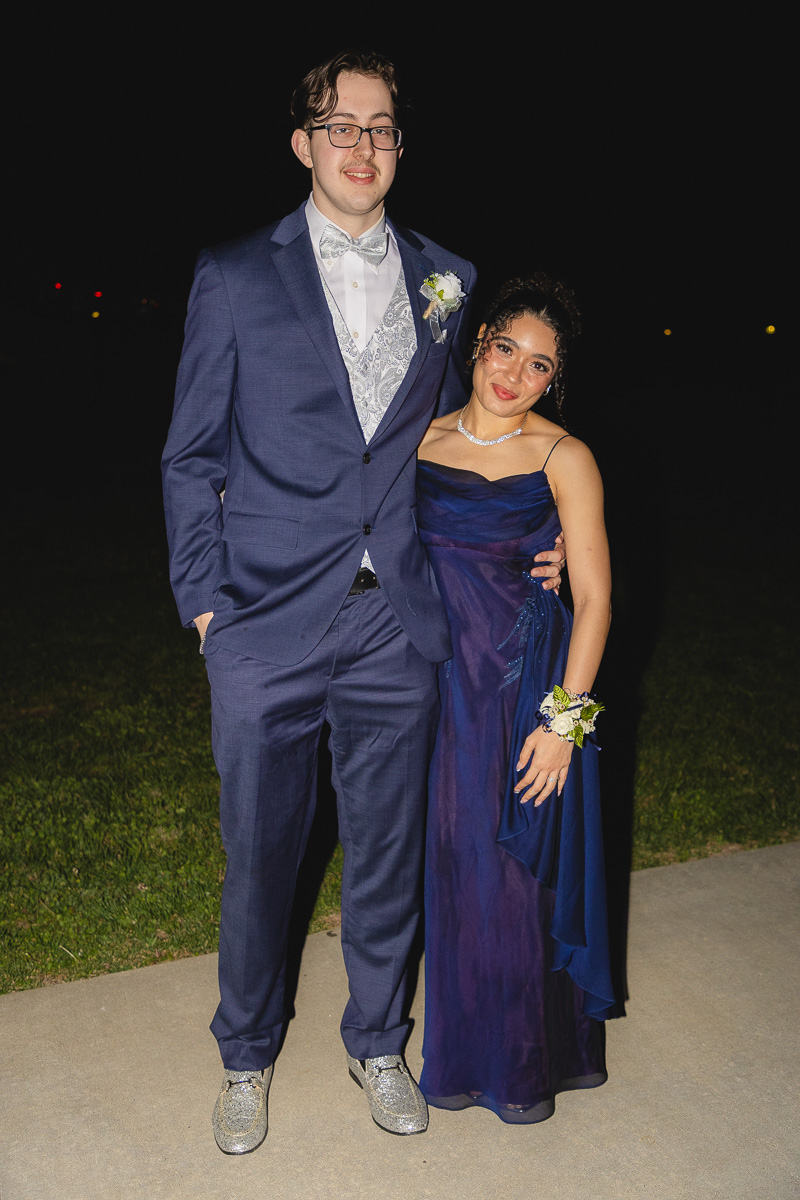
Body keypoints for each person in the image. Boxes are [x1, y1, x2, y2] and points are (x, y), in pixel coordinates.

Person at [162, 50, 565, 1152]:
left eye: (380, 127)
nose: (361, 144)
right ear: (303, 144)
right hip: (262, 622)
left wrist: (548, 527)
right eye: (339, 126)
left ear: (399, 146)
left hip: (397, 622)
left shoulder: (447, 280)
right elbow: (190, 456)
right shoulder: (235, 275)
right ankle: (245, 1055)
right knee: (262, 861)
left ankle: (377, 1040)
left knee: (389, 853)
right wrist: (206, 605)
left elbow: (473, 427)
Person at [416, 275, 615, 1123]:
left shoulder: (564, 456)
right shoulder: (417, 438)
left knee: (513, 882)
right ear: (479, 342)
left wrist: (565, 726)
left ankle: (526, 1066)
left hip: (521, 691)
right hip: (432, 689)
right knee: (451, 870)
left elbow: (597, 602)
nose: (514, 375)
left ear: (553, 380)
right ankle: (459, 1053)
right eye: (506, 350)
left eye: (540, 366)